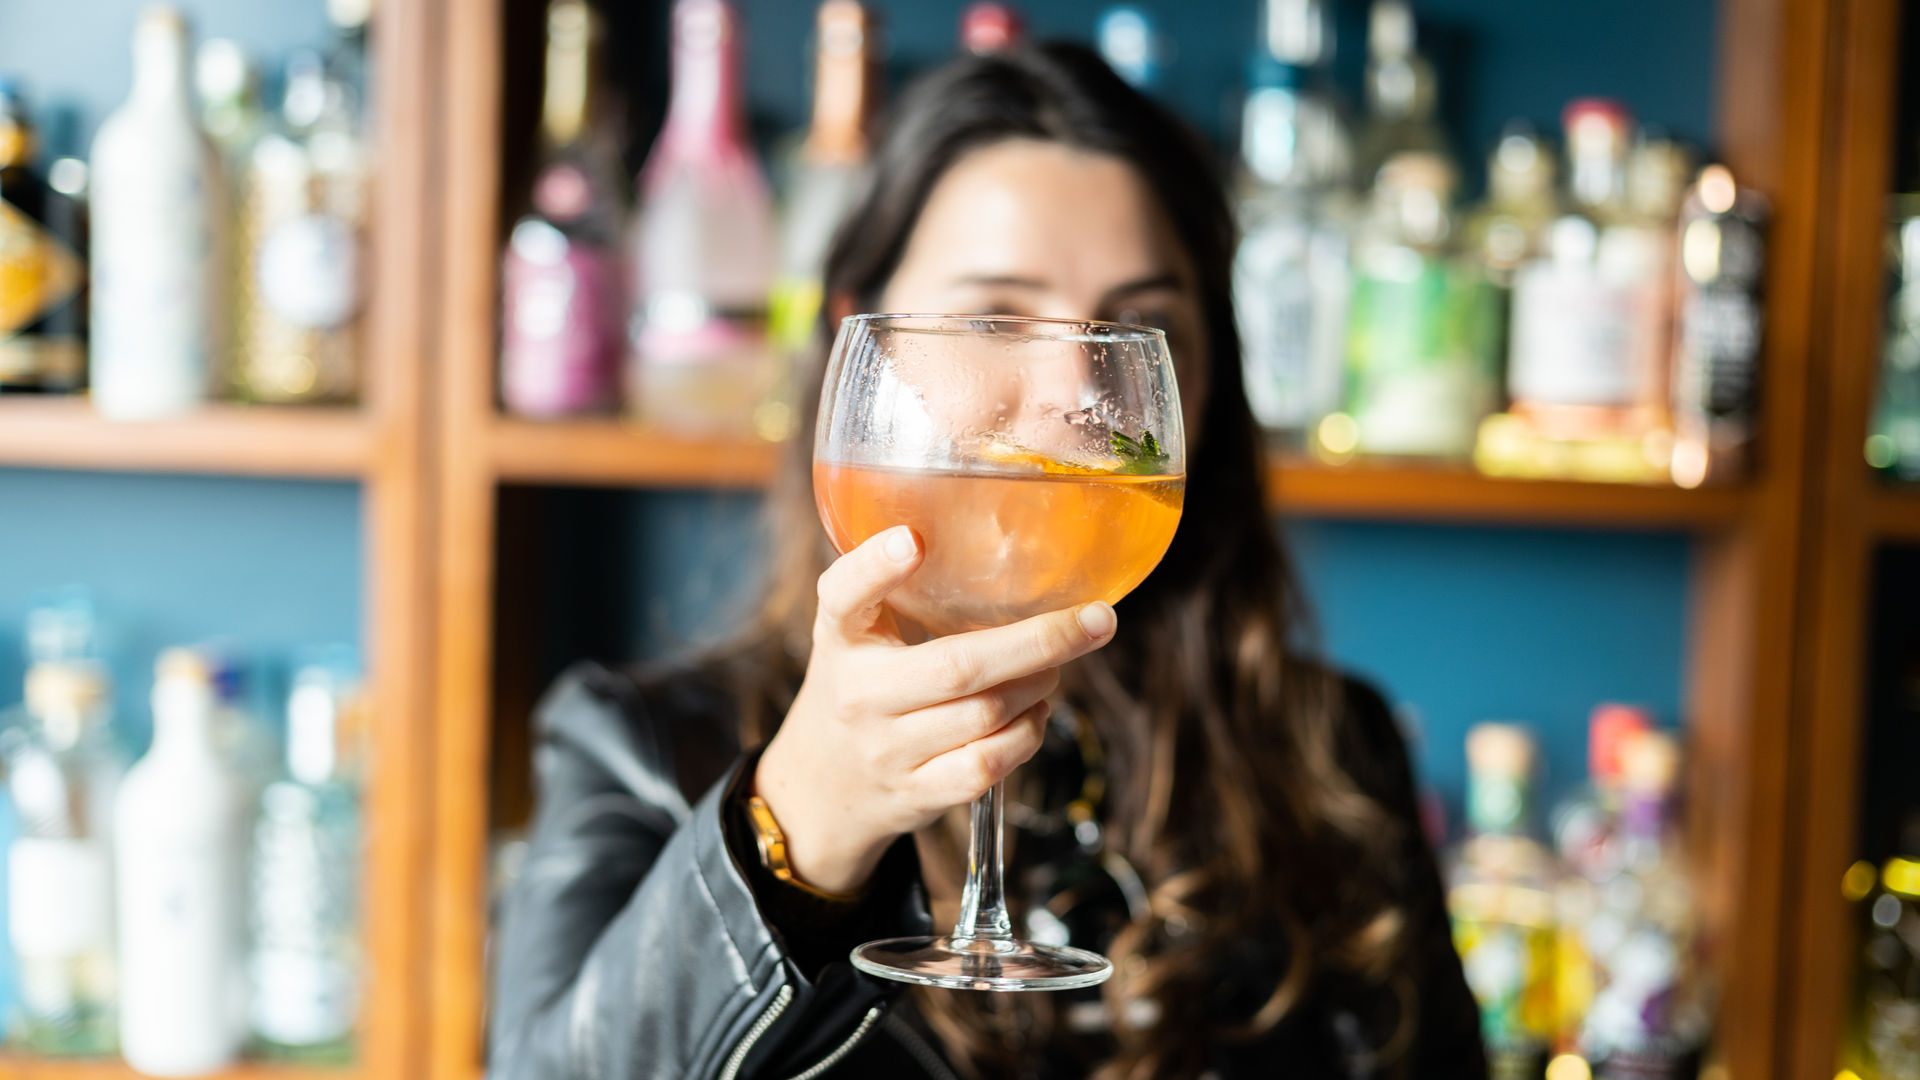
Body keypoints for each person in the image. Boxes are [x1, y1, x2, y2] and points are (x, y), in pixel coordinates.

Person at [490, 43, 1487, 1080]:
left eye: (1140, 324)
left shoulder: (1335, 753)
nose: (1074, 390)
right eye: (996, 320)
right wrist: (803, 819)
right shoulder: (636, 748)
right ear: (855, 346)